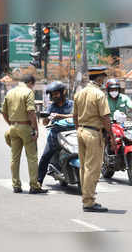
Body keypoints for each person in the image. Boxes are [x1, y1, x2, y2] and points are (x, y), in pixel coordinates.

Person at [73, 67, 117, 212]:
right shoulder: (99, 94)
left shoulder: (79, 93)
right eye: (103, 78)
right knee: (93, 168)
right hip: (93, 133)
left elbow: (75, 116)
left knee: (84, 167)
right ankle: (89, 202)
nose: (104, 81)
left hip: (81, 131)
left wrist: (79, 130)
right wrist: (111, 136)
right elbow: (105, 117)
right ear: (99, 78)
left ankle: (86, 198)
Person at [1, 75, 47, 194]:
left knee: (14, 157)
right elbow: (31, 111)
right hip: (26, 127)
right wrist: (35, 129)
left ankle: (16, 185)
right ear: (30, 83)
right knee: (32, 157)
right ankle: (34, 186)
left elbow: (3, 112)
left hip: (13, 127)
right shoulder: (28, 92)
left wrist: (11, 124)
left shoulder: (10, 92)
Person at [38, 81, 73, 186]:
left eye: (56, 93)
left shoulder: (72, 104)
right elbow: (45, 123)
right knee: (45, 157)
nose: (54, 96)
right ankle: (38, 181)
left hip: (71, 135)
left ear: (63, 93)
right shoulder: (51, 106)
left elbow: (76, 116)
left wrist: (60, 116)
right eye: (52, 95)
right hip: (55, 136)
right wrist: (47, 117)